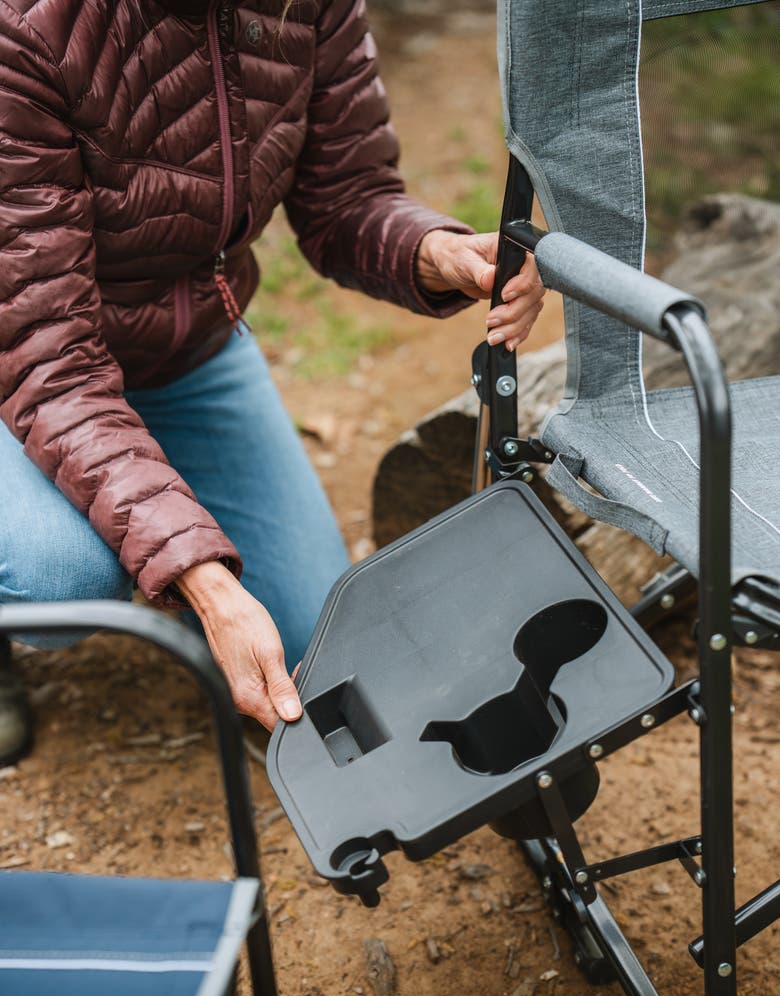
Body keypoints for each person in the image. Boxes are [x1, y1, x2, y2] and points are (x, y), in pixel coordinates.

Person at [0, 0, 545, 763]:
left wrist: (439, 253)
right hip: (26, 360)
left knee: (317, 650)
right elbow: (49, 359)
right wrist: (204, 580)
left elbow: (345, 199)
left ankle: (151, 502)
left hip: (185, 356)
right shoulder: (27, 31)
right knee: (61, 582)